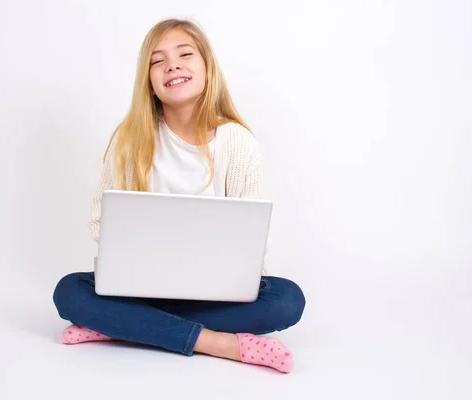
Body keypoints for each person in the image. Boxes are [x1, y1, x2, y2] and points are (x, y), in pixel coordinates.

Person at [53, 18, 305, 373]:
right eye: (157, 61)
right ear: (150, 82)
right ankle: (218, 343)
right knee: (68, 291)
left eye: (185, 54)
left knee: (287, 300)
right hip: (141, 285)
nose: (172, 64)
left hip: (216, 293)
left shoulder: (238, 142)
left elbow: (252, 235)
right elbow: (100, 219)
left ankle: (121, 325)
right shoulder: (129, 139)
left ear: (207, 68)